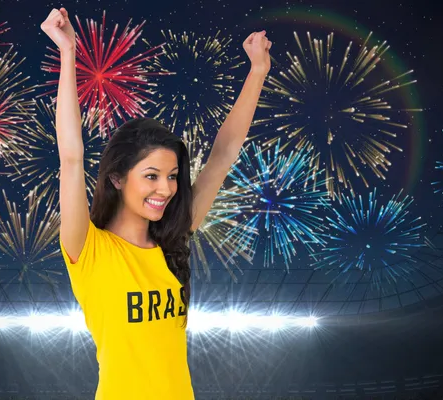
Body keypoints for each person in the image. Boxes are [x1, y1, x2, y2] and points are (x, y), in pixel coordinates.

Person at [41, 7, 271, 400]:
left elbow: (223, 155)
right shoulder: (89, 249)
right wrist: (68, 54)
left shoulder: (172, 240)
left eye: (171, 176)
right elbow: (71, 157)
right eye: (151, 176)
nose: (165, 189)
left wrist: (258, 71)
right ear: (117, 177)